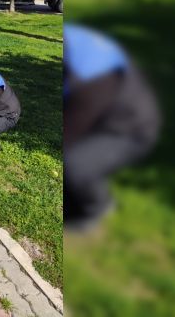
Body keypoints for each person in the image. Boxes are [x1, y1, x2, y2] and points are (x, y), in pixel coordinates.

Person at [63, 23, 161, 231]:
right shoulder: (77, 48)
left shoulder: (94, 72)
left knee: (74, 164)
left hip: (127, 129)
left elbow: (74, 128)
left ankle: (99, 206)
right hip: (98, 115)